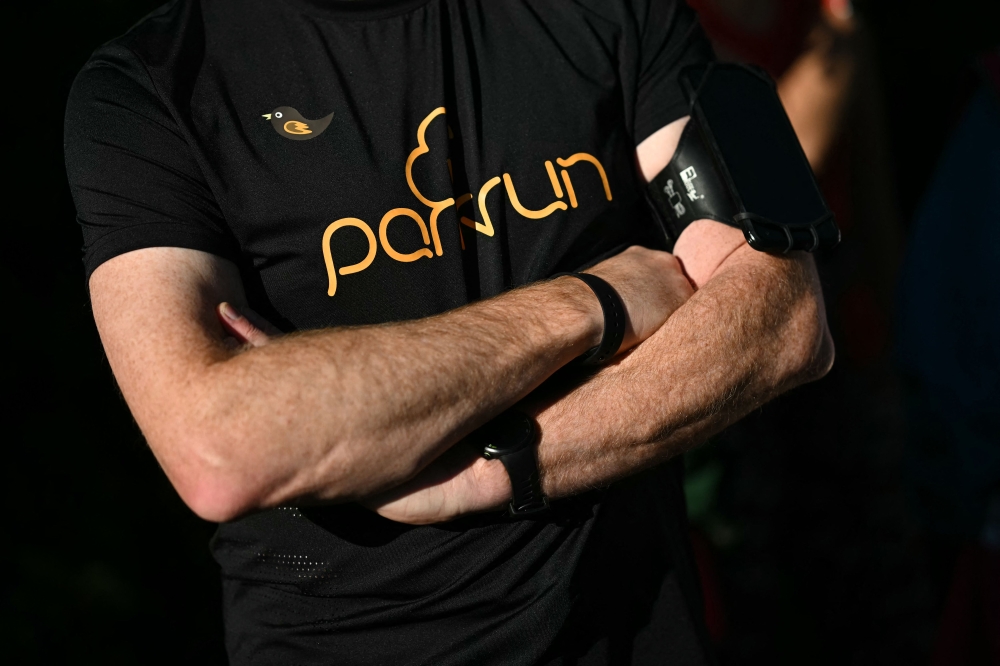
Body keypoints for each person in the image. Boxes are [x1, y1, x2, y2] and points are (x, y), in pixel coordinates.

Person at [64, 0, 833, 662]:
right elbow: (221, 447)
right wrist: (593, 301)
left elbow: (784, 314)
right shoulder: (148, 86)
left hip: (635, 640)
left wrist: (497, 468)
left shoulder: (618, 9)